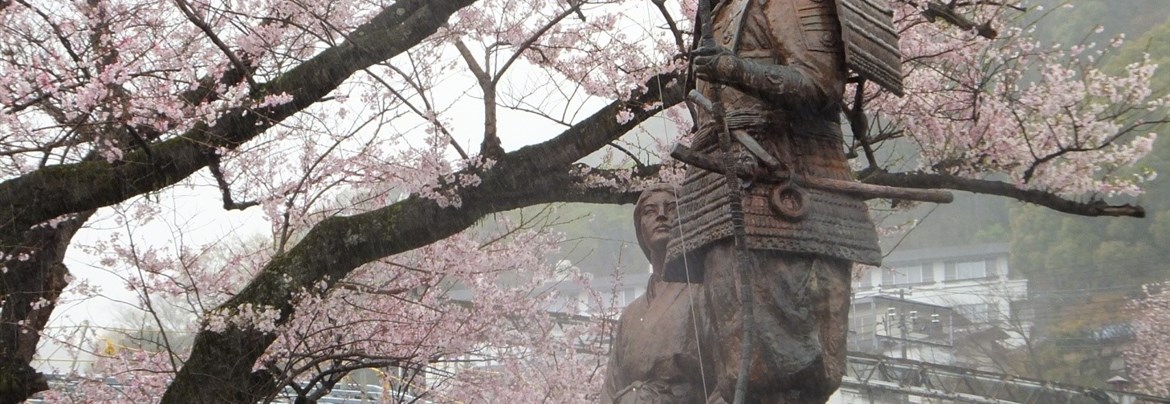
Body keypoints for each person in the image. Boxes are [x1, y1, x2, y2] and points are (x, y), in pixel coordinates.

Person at [663, 0, 890, 402]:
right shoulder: (716, 12)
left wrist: (735, 69)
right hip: (725, 191)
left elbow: (820, 84)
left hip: (784, 194)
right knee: (733, 365)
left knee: (784, 364)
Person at [599, 184, 708, 404]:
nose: (661, 216)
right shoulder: (630, 315)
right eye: (650, 211)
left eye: (671, 208)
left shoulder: (703, 294)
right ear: (640, 229)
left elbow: (725, 381)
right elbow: (611, 390)